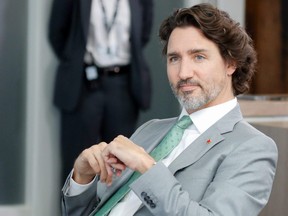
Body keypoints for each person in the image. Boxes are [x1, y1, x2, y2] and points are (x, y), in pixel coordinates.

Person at [61, 3, 278, 216]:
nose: (183, 73)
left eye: (198, 57)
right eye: (174, 58)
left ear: (231, 63)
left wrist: (147, 167)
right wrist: (82, 179)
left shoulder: (252, 147)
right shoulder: (150, 130)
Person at [48, 0, 154, 183]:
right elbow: (57, 33)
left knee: (121, 164)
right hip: (84, 84)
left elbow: (142, 35)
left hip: (122, 84)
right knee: (78, 162)